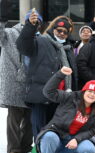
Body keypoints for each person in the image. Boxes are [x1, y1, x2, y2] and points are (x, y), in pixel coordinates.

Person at [16, 12, 78, 140]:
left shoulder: (67, 48)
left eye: (65, 32)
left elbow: (74, 73)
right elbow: (23, 46)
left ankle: (51, 150)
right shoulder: (40, 41)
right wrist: (30, 26)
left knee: (55, 125)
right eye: (58, 30)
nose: (61, 33)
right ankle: (40, 152)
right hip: (41, 94)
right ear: (53, 29)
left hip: (60, 95)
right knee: (39, 125)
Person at [37, 67, 95, 153]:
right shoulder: (70, 97)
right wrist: (60, 75)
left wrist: (77, 139)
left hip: (72, 141)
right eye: (89, 91)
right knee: (49, 136)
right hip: (57, 136)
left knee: (90, 148)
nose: (91, 94)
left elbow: (92, 130)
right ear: (84, 91)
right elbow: (48, 92)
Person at [0, 0, 33, 153]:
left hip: (32, 85)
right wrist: (2, 19)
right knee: (14, 119)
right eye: (31, 19)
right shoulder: (11, 33)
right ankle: (14, 149)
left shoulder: (39, 37)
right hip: (14, 83)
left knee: (30, 119)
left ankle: (26, 146)